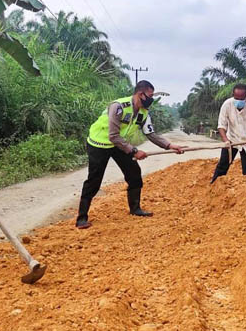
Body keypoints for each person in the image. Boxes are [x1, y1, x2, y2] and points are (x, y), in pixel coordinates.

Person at [76, 80, 185, 229]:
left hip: (120, 145)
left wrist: (170, 146)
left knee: (134, 174)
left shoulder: (144, 113)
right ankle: (81, 218)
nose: (152, 99)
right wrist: (134, 151)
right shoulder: (119, 107)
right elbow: (113, 136)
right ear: (141, 94)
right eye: (150, 95)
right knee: (94, 180)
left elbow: (151, 134)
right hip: (99, 144)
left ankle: (135, 209)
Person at [211, 83, 246, 183]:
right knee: (222, 165)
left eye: (241, 99)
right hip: (231, 140)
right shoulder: (227, 104)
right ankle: (214, 186)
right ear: (232, 95)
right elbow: (221, 125)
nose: (238, 101)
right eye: (236, 98)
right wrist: (226, 140)